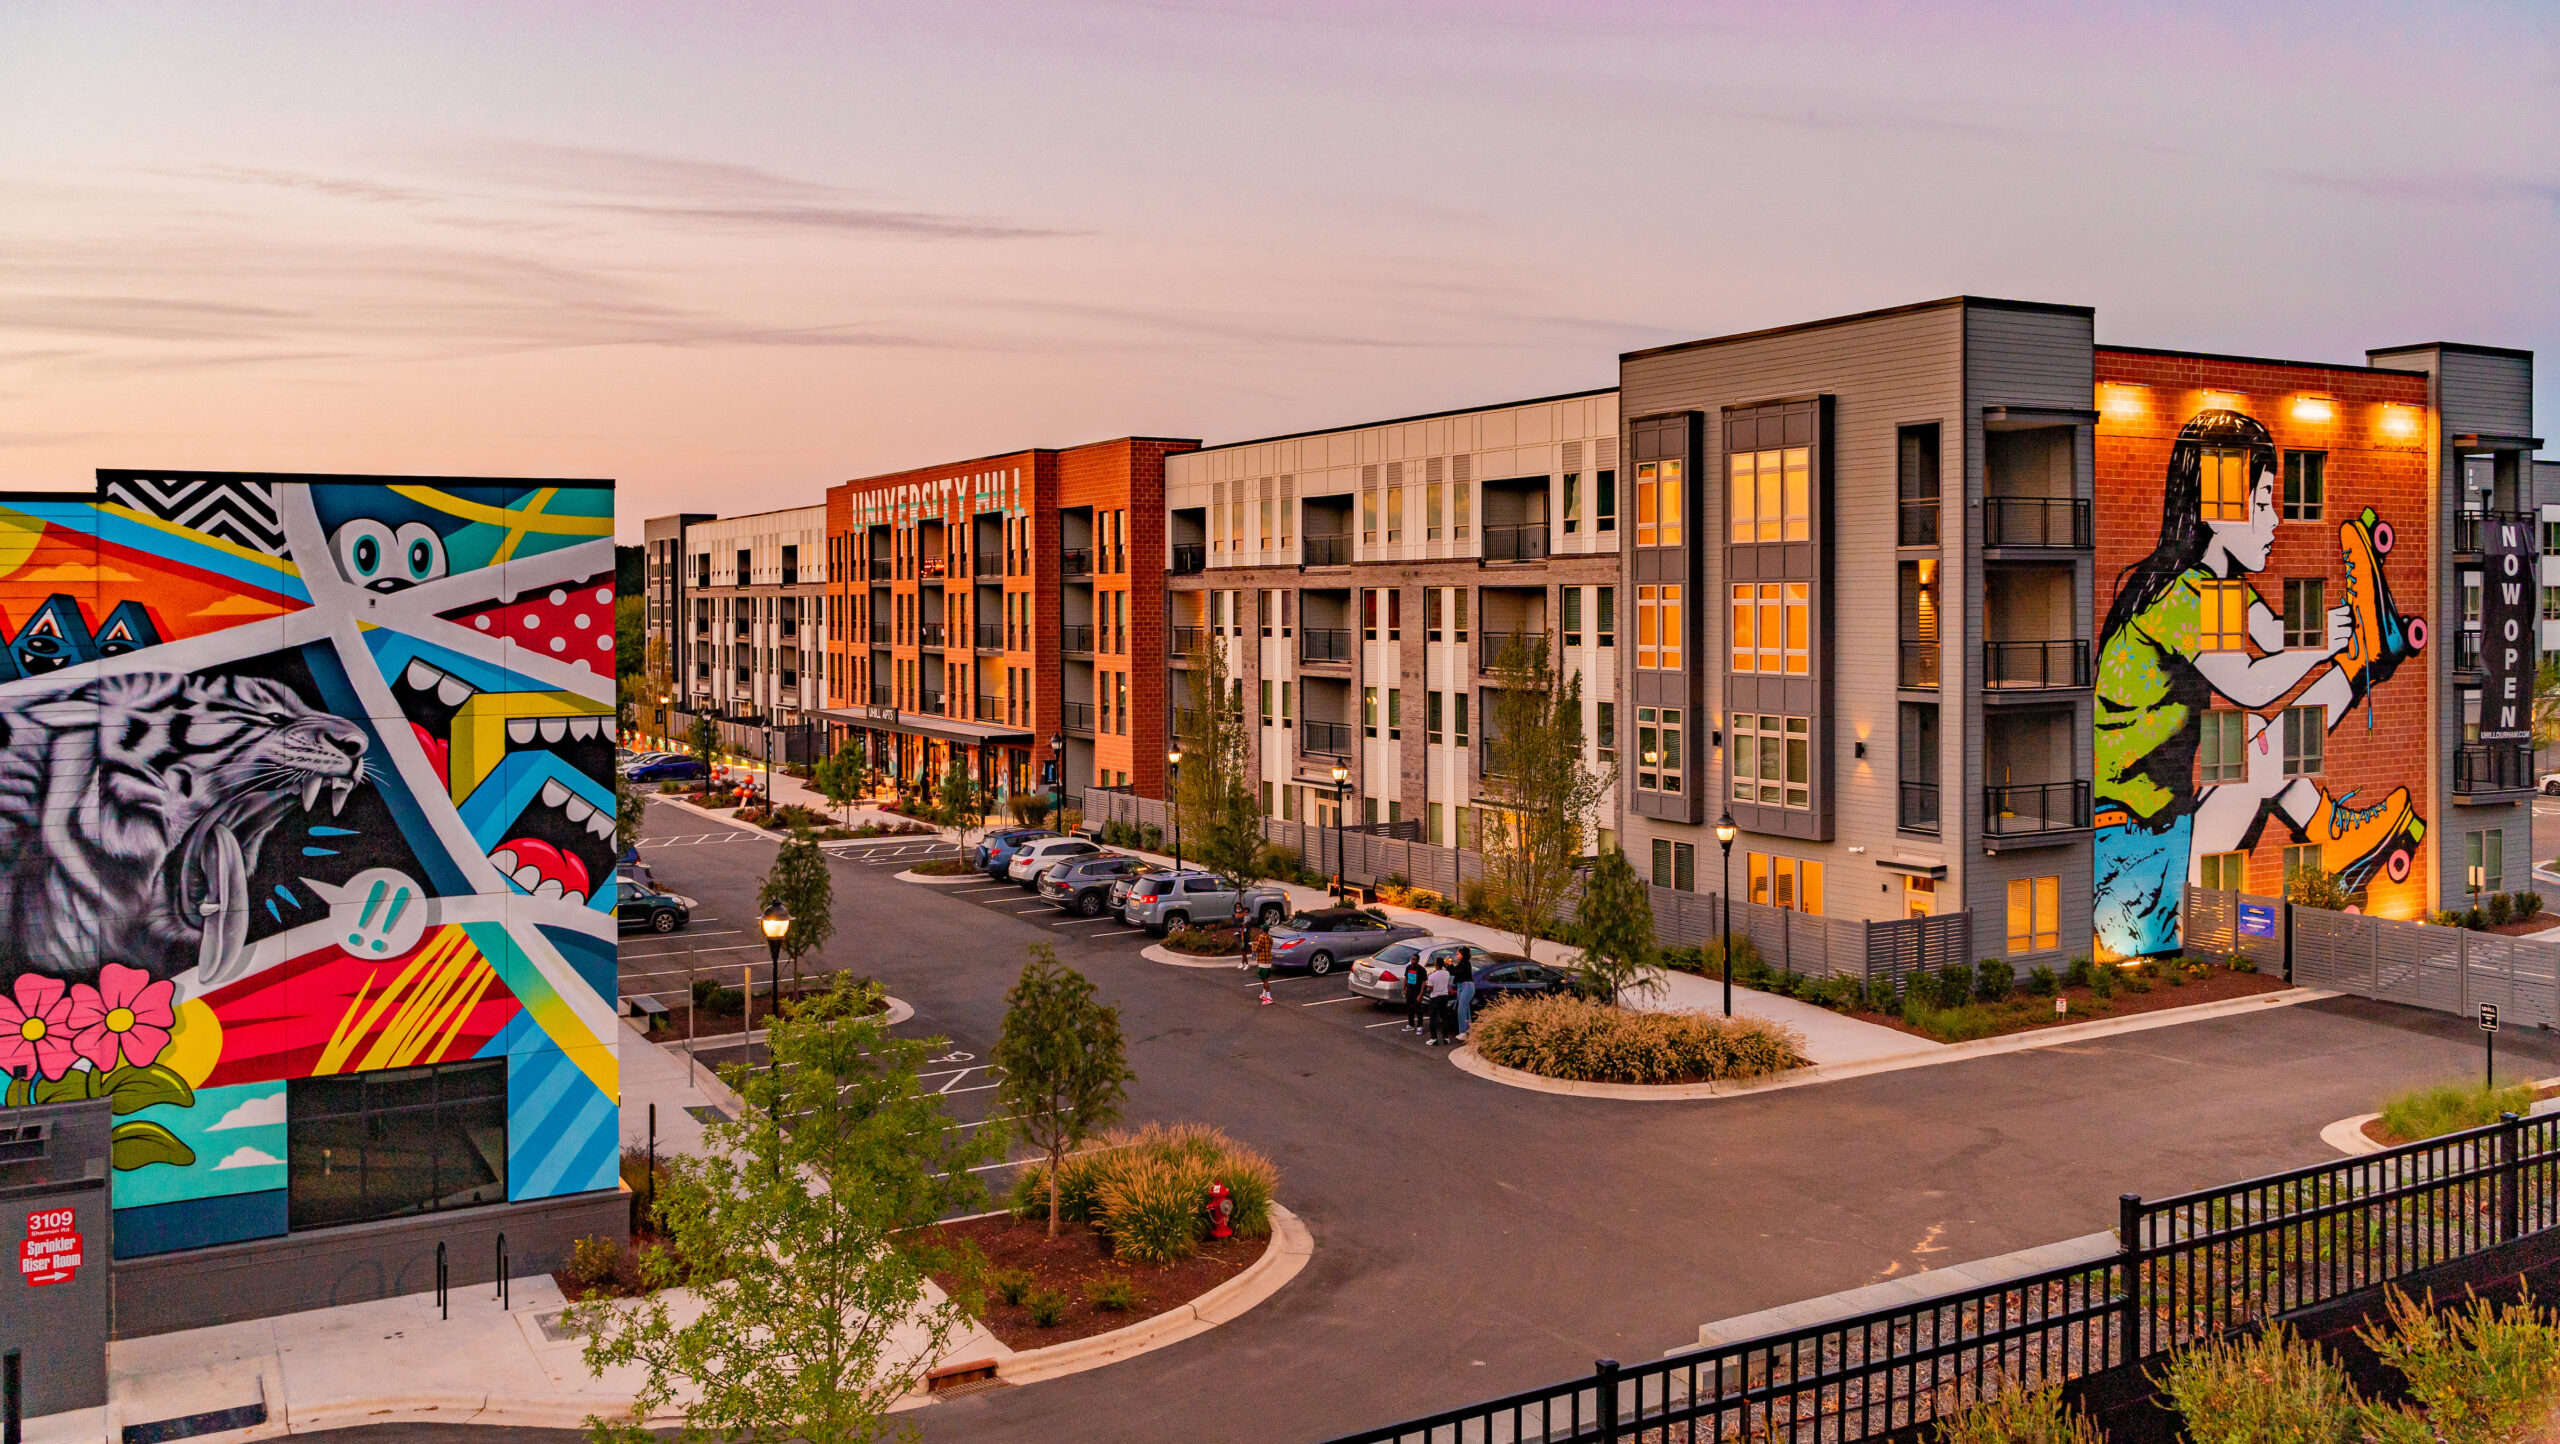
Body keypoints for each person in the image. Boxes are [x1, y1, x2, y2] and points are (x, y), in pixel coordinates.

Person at [1424, 954, 1455, 1046]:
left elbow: (1430, 989)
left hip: (1435, 997)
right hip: (1444, 996)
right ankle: (1446, 1038)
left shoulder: (1432, 976)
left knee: (1433, 1018)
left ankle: (1434, 1038)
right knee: (1444, 1017)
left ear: (1436, 965)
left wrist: (1427, 985)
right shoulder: (1446, 973)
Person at [1451, 947, 1476, 1040]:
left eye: (1458, 954)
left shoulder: (1466, 964)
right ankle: (1469, 1030)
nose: (1457, 955)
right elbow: (1453, 971)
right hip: (1460, 986)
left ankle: (1463, 1032)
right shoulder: (1461, 963)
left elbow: (1456, 971)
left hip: (1467, 986)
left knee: (1461, 1009)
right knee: (1466, 1009)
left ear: (1463, 955)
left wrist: (1450, 965)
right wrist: (1448, 965)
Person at [1401, 951, 1427, 1033]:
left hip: (1417, 992)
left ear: (1417, 960)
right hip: (1409, 991)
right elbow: (1406, 978)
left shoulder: (1421, 970)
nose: (1412, 961)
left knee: (1418, 1009)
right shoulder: (1408, 967)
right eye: (1411, 959)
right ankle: (1411, 1024)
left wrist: (1421, 994)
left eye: (1414, 959)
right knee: (1410, 1008)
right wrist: (1403, 989)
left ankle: (1420, 1026)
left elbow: (1423, 983)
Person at [1251, 925, 1275, 1005]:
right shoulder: (1269, 937)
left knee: (1264, 980)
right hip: (1268, 960)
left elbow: (1257, 949)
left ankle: (1269, 997)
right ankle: (1264, 994)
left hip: (1263, 961)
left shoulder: (1262, 938)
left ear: (1263, 930)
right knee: (1264, 978)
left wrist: (1254, 944)